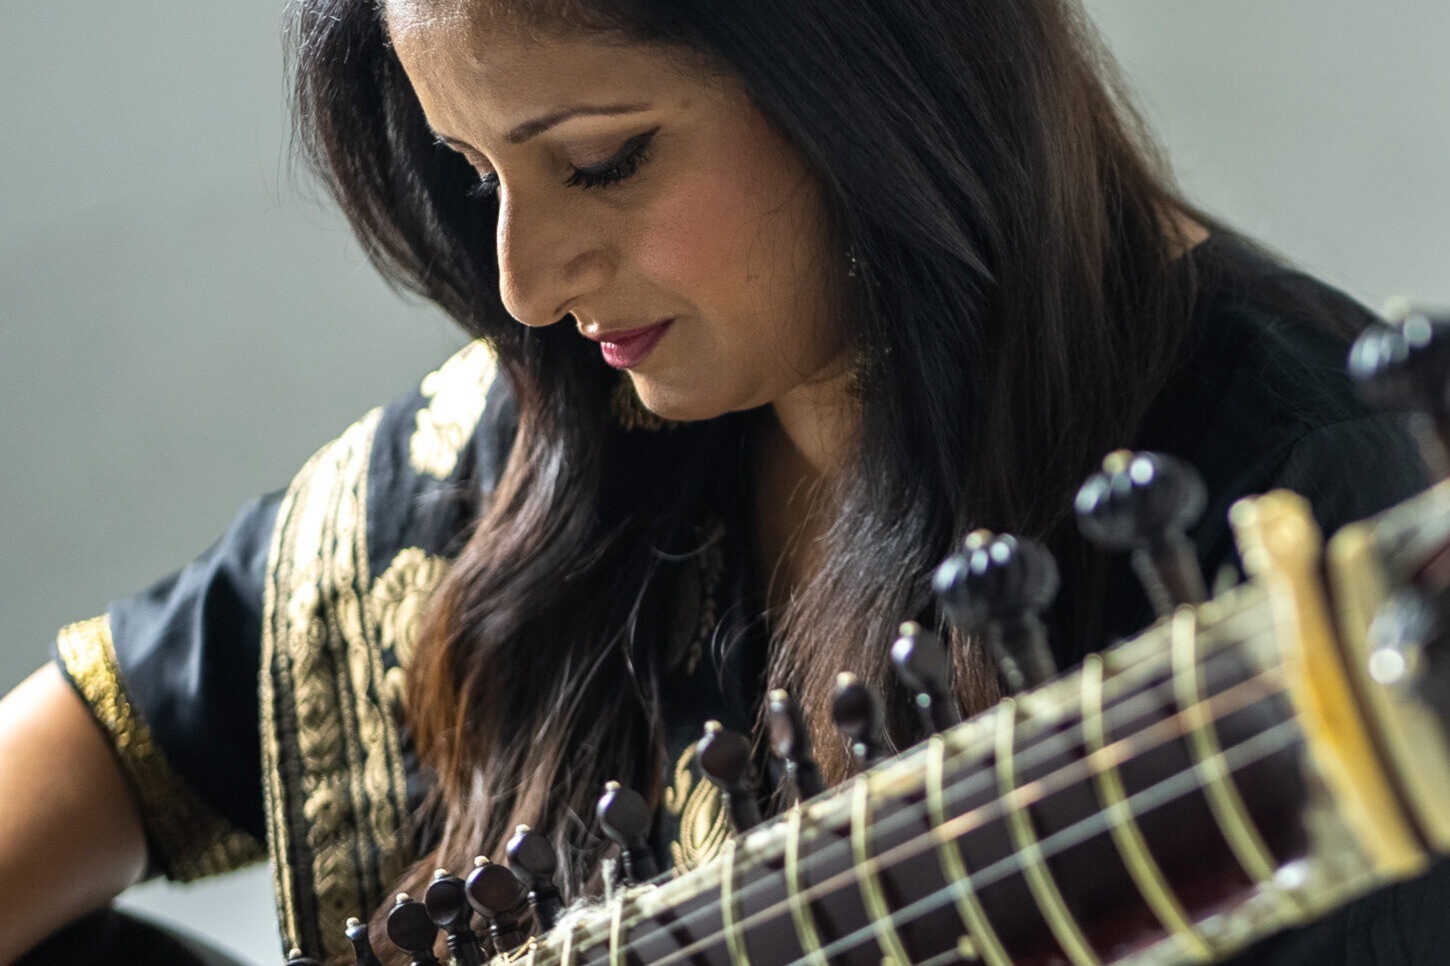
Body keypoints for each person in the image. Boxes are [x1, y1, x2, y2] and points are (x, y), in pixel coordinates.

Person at [1, 0, 1446, 963]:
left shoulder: (1279, 468)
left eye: (602, 161)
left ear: (870, 72)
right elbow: (89, 748)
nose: (523, 283)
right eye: (473, 173)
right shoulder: (544, 442)